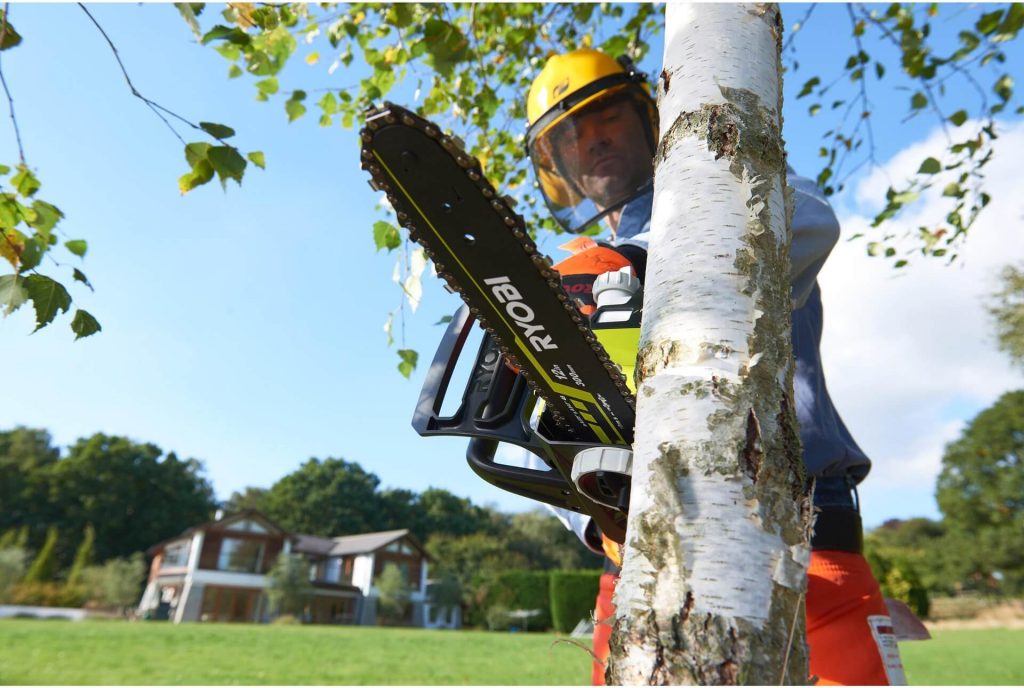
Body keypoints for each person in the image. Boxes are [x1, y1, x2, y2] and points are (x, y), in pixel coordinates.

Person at [521, 48, 908, 686]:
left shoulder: (730, 188)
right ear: (555, 166)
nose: (593, 142)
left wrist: (642, 267)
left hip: (803, 526)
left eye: (607, 117)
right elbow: (548, 429)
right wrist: (591, 512)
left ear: (648, 116)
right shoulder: (571, 279)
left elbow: (812, 216)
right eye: (570, 138)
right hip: (642, 555)